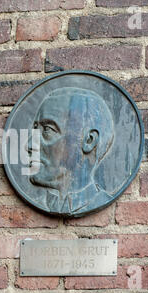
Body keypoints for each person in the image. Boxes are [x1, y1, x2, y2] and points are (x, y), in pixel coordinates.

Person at [27, 87, 114, 216]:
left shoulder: (103, 201)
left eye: (47, 129)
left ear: (89, 141)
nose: (29, 144)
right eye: (35, 129)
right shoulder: (36, 204)